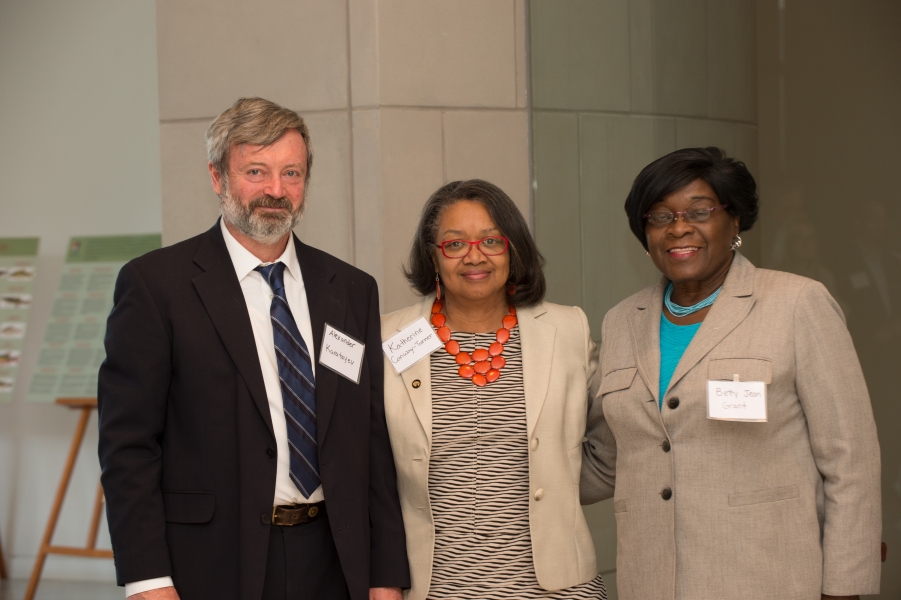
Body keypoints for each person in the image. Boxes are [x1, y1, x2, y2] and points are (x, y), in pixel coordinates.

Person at [98, 97, 410, 600]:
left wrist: (385, 576)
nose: (275, 190)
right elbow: (128, 448)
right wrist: (147, 581)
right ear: (218, 177)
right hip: (212, 562)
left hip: (336, 559)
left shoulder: (351, 289)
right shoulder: (157, 286)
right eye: (256, 171)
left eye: (291, 172)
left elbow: (371, 440)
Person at [580, 147, 882, 600]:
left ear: (734, 220)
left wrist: (844, 587)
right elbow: (609, 459)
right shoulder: (622, 320)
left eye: (699, 211)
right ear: (644, 234)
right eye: (660, 217)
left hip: (769, 578)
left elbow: (850, 460)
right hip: (651, 581)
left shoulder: (796, 304)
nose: (679, 227)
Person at [381, 180, 607, 599]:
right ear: (432, 255)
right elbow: (368, 472)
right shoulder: (389, 337)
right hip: (437, 588)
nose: (474, 256)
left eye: (491, 240)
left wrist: (556, 483)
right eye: (454, 244)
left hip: (557, 588)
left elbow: (610, 444)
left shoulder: (567, 329)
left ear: (513, 249)